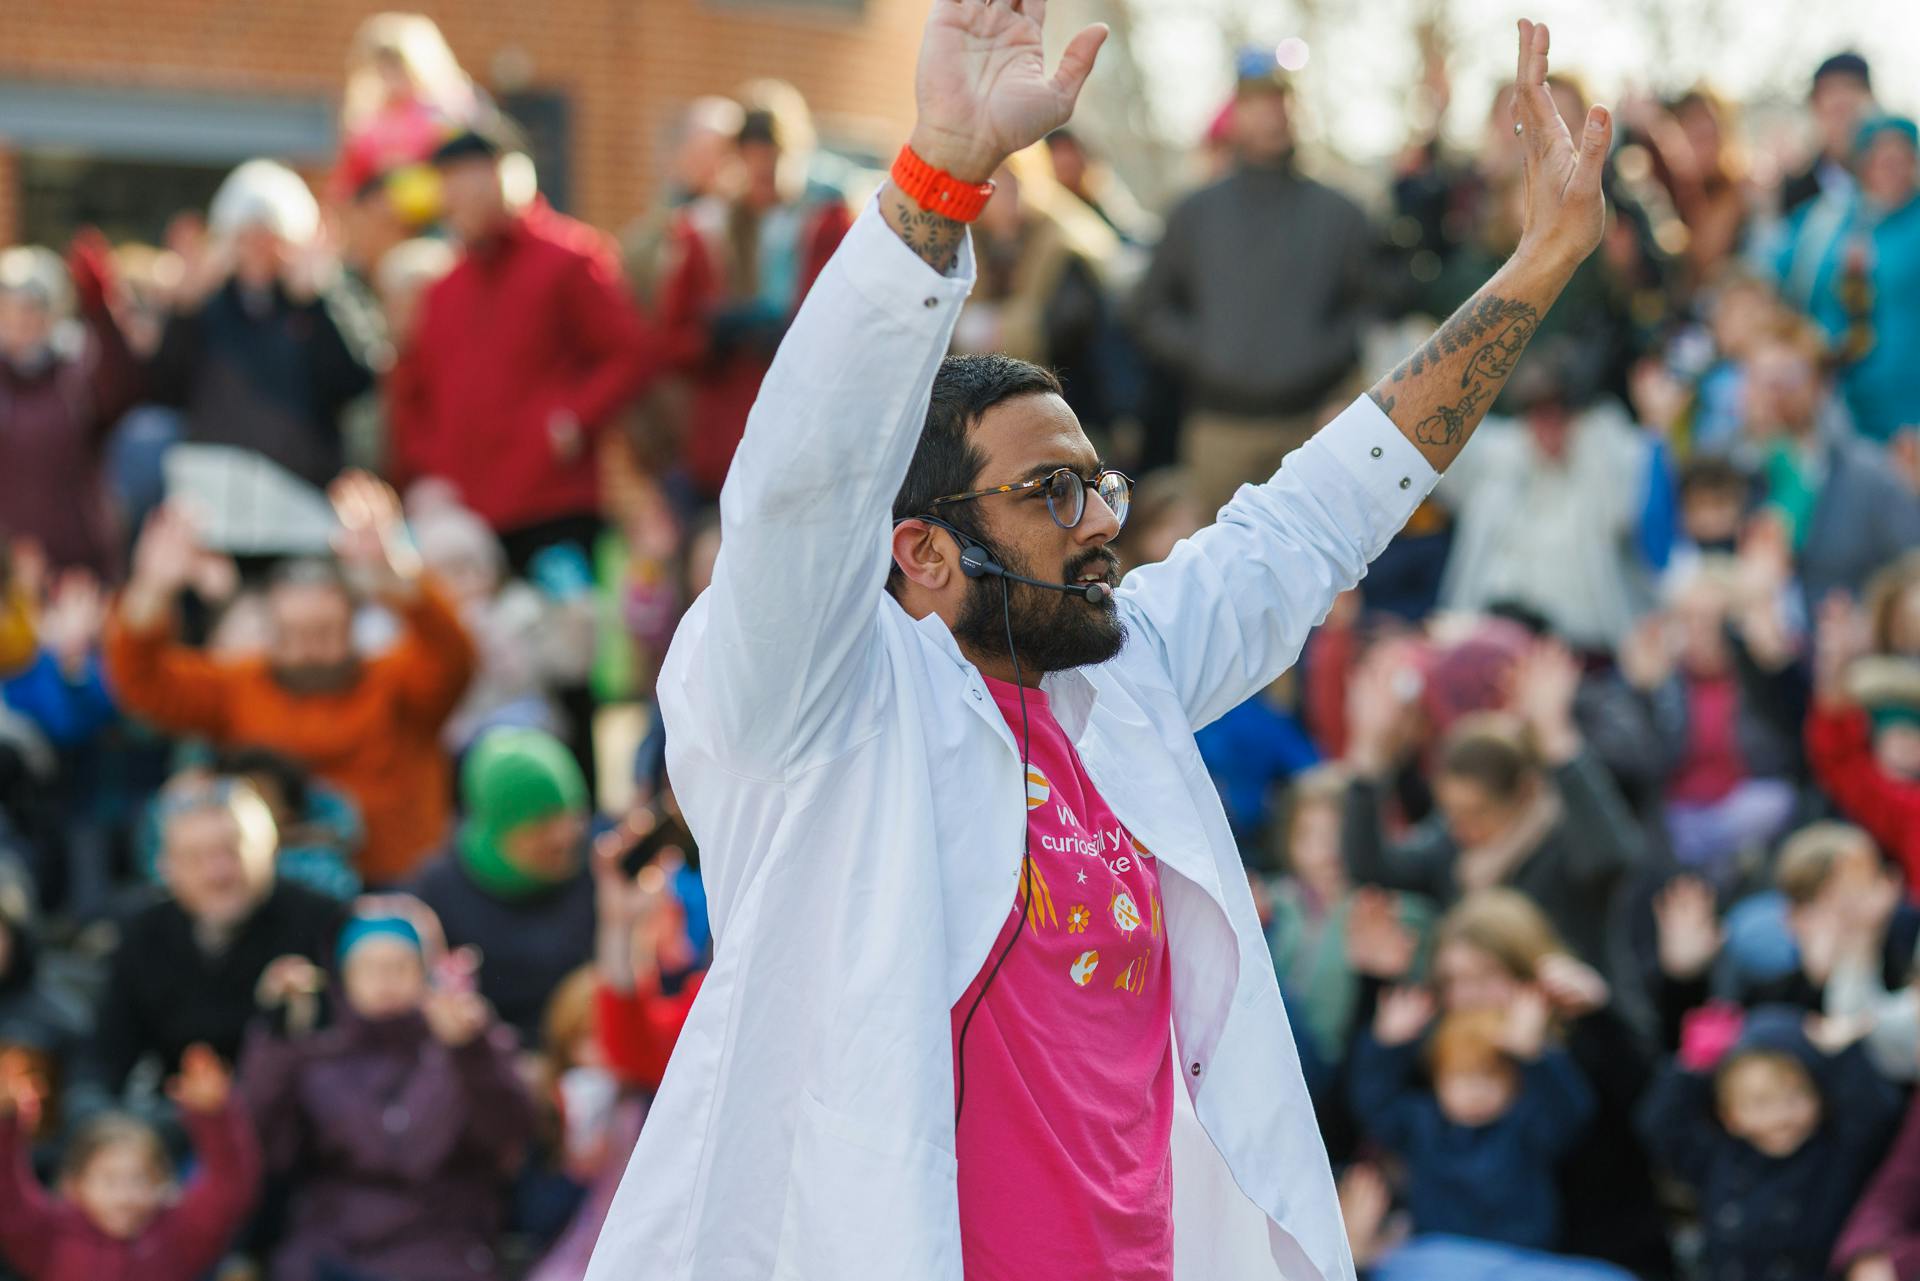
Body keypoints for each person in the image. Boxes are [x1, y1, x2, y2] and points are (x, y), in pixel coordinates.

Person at [583, 6, 1616, 1278]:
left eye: (1100, 486)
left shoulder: (1123, 677)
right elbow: (804, 476)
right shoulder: (816, 708)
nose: (1099, 524)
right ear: (921, 549)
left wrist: (1540, 265)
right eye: (1052, 495)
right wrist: (939, 175)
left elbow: (1319, 511)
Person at [105, 474, 476, 885]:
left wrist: (396, 573)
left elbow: (452, 655)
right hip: (276, 888)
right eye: (292, 635)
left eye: (324, 633)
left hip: (396, 882)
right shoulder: (239, 685)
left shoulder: (394, 682)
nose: (308, 651)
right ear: (271, 634)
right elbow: (143, 683)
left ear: (352, 626)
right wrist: (152, 589)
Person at [389, 110, 658, 570]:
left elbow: (628, 353)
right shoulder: (443, 290)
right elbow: (414, 393)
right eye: (447, 188)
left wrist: (573, 420)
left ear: (506, 178)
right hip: (465, 517)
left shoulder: (572, 259)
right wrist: (427, 472)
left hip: (552, 503)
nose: (453, 202)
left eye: (465, 183)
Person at [1128, 45, 1379, 516]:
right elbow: (1148, 310)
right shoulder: (1194, 213)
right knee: (1222, 571)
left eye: (1281, 101)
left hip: (1313, 426)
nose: (1272, 114)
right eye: (1257, 102)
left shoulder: (1340, 213)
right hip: (1220, 428)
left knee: (1320, 570)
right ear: (1236, 112)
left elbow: (1368, 306)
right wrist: (1208, 355)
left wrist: (1323, 360)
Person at [239, 903, 536, 1281]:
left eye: (400, 966)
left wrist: (472, 1051)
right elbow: (261, 1147)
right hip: (332, 1247)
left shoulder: (467, 1046)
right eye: (368, 967)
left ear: (426, 972)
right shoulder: (314, 1059)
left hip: (442, 1244)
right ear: (342, 979)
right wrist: (276, 1040)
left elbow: (511, 1134)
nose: (385, 980)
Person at [1343, 641, 1647, 981]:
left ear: (1524, 793)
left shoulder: (1565, 839)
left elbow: (1612, 858)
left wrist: (1555, 736)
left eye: (1477, 812)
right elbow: (1373, 867)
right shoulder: (1452, 844)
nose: (1459, 827)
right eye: (1450, 811)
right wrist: (1369, 753)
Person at [81, 780, 343, 1104]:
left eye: (231, 851)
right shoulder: (144, 934)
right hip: (180, 1118)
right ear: (166, 867)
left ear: (270, 848)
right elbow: (108, 1053)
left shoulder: (323, 923)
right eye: (195, 857)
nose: (217, 874)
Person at [655, 89, 855, 501]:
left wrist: (798, 333)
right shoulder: (705, 230)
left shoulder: (828, 223)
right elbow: (670, 341)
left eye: (776, 154)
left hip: (809, 433)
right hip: (727, 435)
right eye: (754, 154)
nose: (766, 168)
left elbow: (854, 326)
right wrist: (711, 339)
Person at [146, 159, 380, 498]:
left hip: (301, 497)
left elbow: (359, 379)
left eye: (268, 237)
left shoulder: (323, 298)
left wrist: (320, 301)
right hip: (216, 497)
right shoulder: (208, 307)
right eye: (246, 237)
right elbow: (165, 389)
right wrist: (182, 312)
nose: (257, 248)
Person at [1638, 1004, 1901, 1281]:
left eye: (1795, 1097)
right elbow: (1660, 1125)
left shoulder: (1836, 1157)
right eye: (1759, 1102)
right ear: (1728, 1114)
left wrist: (1842, 1053)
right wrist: (1690, 1066)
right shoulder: (1718, 1159)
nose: (1780, 1117)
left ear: (1821, 1099)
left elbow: (1877, 1114)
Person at [1349, 985, 1595, 1251]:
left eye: (1491, 1079)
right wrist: (1386, 1045)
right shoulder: (1420, 1121)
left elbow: (1570, 1112)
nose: (1476, 1093)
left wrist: (1534, 1055)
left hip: (1520, 1256)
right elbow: (1373, 1104)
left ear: (1515, 1083)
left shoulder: (1527, 1125)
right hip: (1440, 1254)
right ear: (1438, 1079)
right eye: (1462, 1079)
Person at [0, 1044, 259, 1281]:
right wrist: (6, 1120)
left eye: (140, 1179)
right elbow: (7, 1199)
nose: (125, 1195)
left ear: (163, 1183)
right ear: (74, 1185)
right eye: (109, 1181)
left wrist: (215, 1117)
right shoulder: (50, 1236)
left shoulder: (177, 1236)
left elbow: (229, 1188)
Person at [411, 728, 596, 1045]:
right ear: (497, 829)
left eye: (571, 815)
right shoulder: (438, 893)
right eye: (542, 823)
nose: (563, 836)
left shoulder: (600, 867)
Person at [1737, 322, 1920, 610]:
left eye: (1788, 377)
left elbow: (1912, 569)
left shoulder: (1869, 476)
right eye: (1761, 379)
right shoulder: (1736, 475)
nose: (1774, 392)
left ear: (1823, 385)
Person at [0, 235, 141, 580]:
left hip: (81, 567)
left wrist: (100, 312)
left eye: (31, 307)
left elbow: (121, 391)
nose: (20, 319)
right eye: (9, 307)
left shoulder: (76, 374)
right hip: (10, 575)